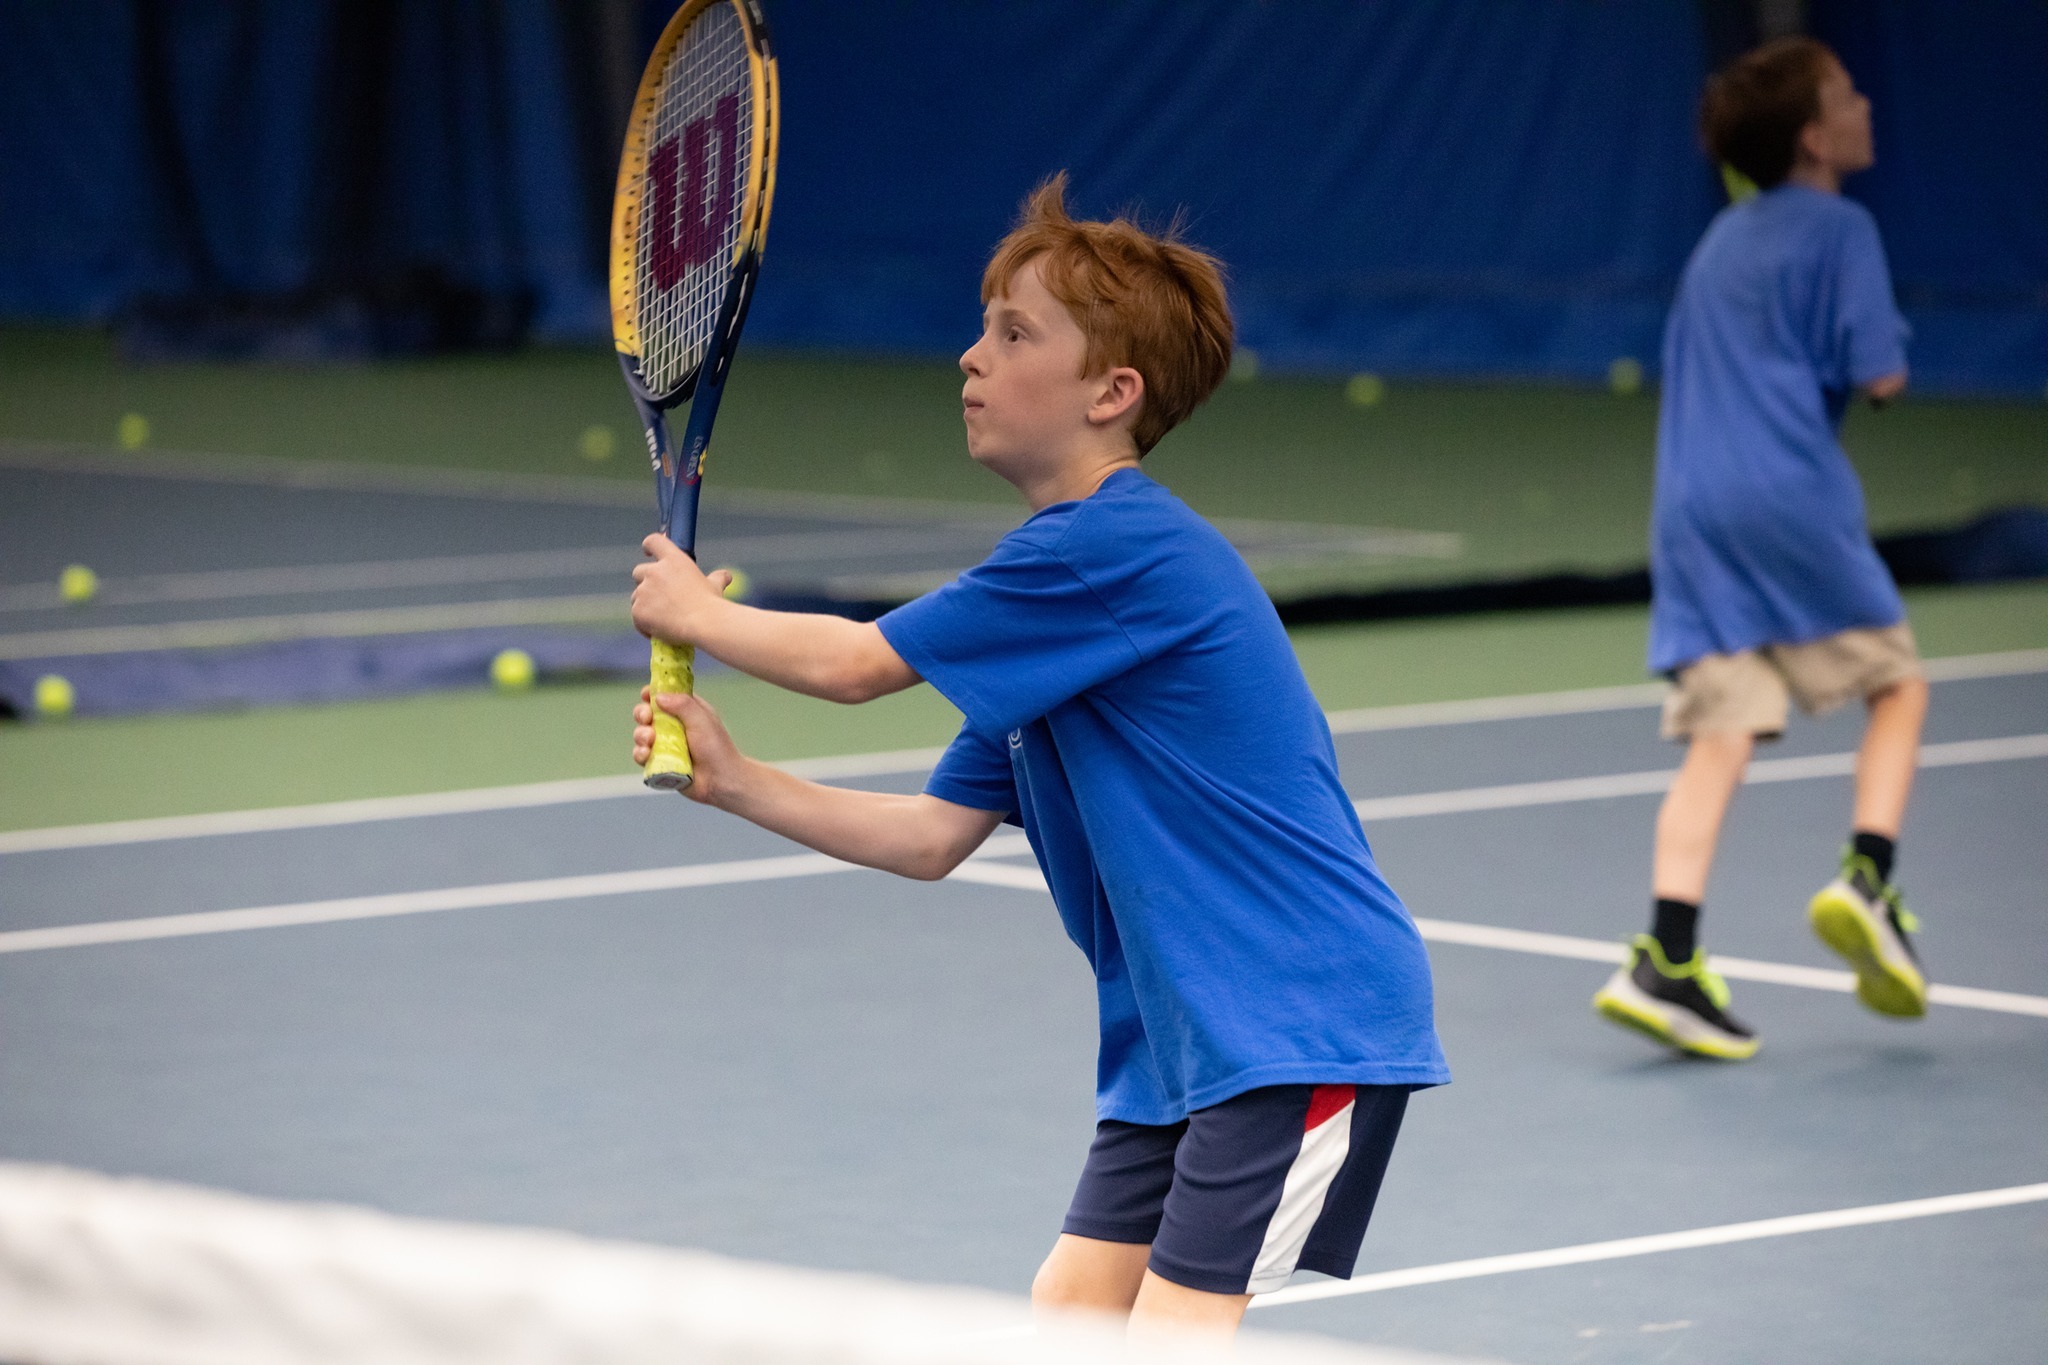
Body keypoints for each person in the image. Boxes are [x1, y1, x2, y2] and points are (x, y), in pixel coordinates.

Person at [629, 175, 1448, 1336]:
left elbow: (858, 665)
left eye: (1013, 335)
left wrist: (695, 615)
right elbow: (927, 841)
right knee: (1063, 1319)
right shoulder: (1055, 616)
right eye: (981, 328)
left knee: (1171, 1336)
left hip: (1291, 1015)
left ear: (1113, 393)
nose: (969, 358)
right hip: (1177, 1040)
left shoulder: (1110, 550)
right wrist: (733, 779)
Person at [1593, 38, 1928, 1061]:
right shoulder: (1842, 228)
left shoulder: (1718, 244)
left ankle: (1665, 956)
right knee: (1897, 685)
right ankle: (1867, 878)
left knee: (1720, 734)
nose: (1863, 102)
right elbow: (1878, 377)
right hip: (1787, 496)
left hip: (1689, 512)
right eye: (1844, 96)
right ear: (1813, 138)